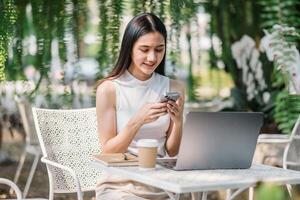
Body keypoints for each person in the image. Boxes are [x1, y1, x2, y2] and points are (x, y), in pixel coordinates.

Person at [95, 13, 185, 200]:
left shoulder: (174, 88)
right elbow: (108, 151)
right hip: (120, 186)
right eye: (144, 49)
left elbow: (173, 151)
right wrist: (137, 120)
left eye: (159, 49)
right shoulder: (109, 89)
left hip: (162, 184)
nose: (152, 58)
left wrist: (177, 121)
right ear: (129, 49)